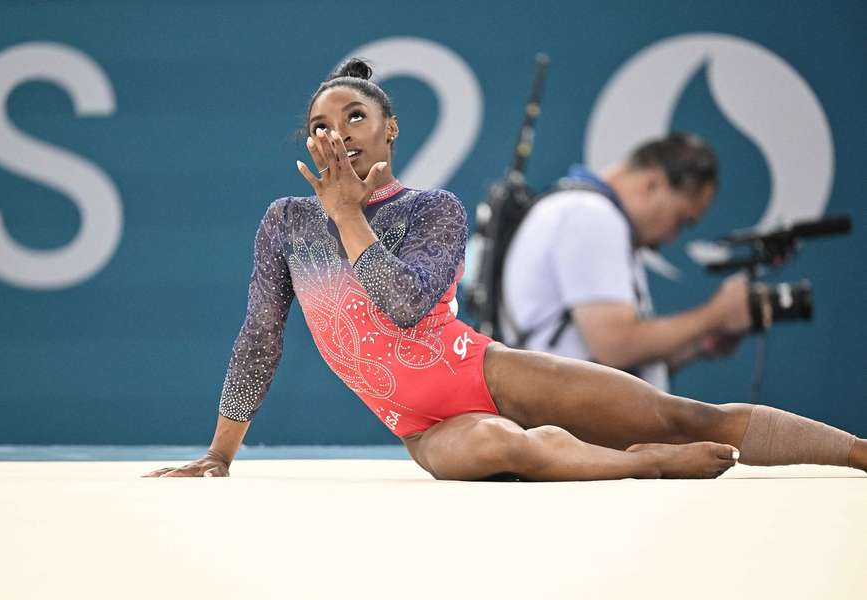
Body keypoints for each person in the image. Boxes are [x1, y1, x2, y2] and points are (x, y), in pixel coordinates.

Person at [144, 59, 866, 482]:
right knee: (497, 446)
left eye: (354, 118)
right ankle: (642, 464)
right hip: (420, 423)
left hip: (483, 370)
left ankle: (859, 452)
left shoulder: (436, 210)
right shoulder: (286, 224)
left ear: (390, 129)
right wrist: (220, 454)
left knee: (687, 415)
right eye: (320, 127)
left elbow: (402, 306)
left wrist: (348, 215)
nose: (336, 135)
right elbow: (259, 338)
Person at [501, 135, 747, 390]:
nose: (673, 237)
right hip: (566, 422)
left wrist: (698, 344)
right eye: (680, 220)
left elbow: (624, 362)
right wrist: (717, 315)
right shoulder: (593, 215)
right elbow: (614, 345)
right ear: (653, 184)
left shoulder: (590, 213)